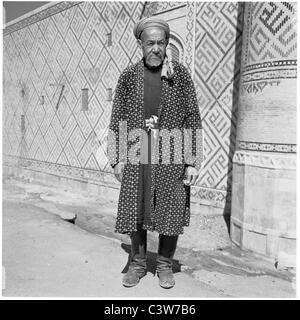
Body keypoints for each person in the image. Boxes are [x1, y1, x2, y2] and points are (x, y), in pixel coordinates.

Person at [107, 16, 202, 289]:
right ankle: (137, 264)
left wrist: (191, 161)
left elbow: (192, 118)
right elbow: (118, 119)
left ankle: (163, 265)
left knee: (170, 209)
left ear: (167, 44)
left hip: (171, 154)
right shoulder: (128, 76)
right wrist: (116, 158)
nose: (156, 48)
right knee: (136, 209)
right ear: (141, 44)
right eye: (150, 43)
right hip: (138, 154)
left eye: (161, 43)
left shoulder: (180, 75)